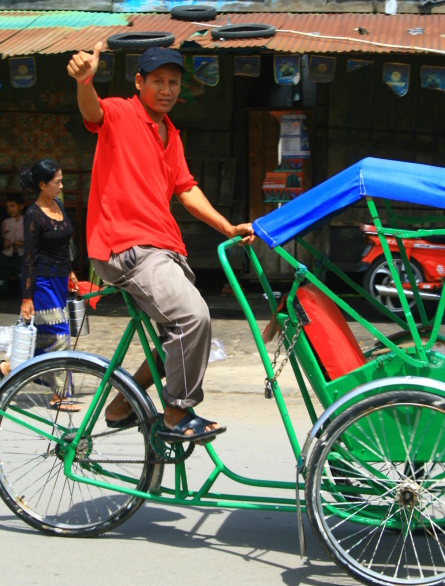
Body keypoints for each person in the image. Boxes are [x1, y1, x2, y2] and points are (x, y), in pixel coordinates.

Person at [67, 42, 254, 443]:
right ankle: (177, 415)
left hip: (161, 247)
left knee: (178, 337)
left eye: (173, 82)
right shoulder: (121, 112)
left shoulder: (171, 133)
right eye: (158, 81)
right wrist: (85, 79)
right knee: (193, 318)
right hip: (126, 245)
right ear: (139, 82)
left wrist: (227, 227)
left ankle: (120, 404)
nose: (166, 89)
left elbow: (186, 188)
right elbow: (91, 110)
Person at [0, 160, 80, 407]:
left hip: (58, 280)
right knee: (59, 334)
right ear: (42, 185)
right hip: (41, 282)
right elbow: (30, 258)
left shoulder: (58, 205)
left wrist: (70, 271)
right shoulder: (33, 215)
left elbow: (66, 242)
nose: (61, 186)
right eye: (57, 182)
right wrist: (27, 297)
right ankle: (59, 396)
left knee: (45, 337)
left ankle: (7, 367)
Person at [0, 192, 25, 293]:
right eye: (8, 207)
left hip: (21, 255)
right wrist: (4, 242)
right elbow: (2, 236)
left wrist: (23, 242)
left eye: (13, 206)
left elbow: (32, 237)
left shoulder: (26, 221)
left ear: (21, 206)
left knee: (22, 278)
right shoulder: (5, 222)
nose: (10, 209)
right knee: (2, 277)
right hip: (7, 255)